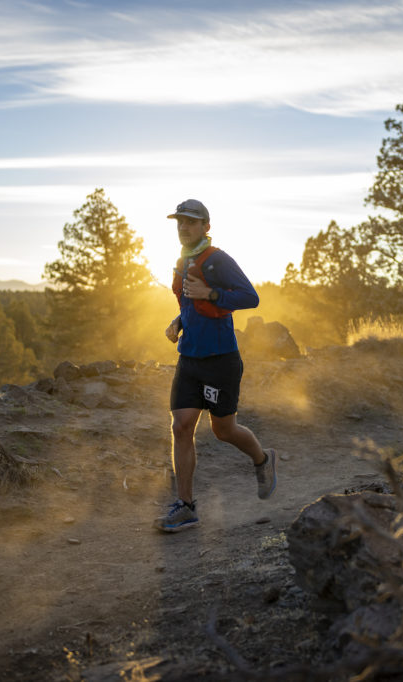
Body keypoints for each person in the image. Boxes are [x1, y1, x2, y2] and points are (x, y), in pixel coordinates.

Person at [156, 199, 276, 533]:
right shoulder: (182, 262)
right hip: (189, 358)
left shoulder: (218, 260)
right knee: (181, 426)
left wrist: (211, 294)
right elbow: (192, 304)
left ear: (206, 226)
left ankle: (263, 459)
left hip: (221, 360)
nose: (184, 227)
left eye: (191, 222)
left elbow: (250, 297)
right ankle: (186, 506)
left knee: (224, 430)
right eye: (180, 222)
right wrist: (178, 322)